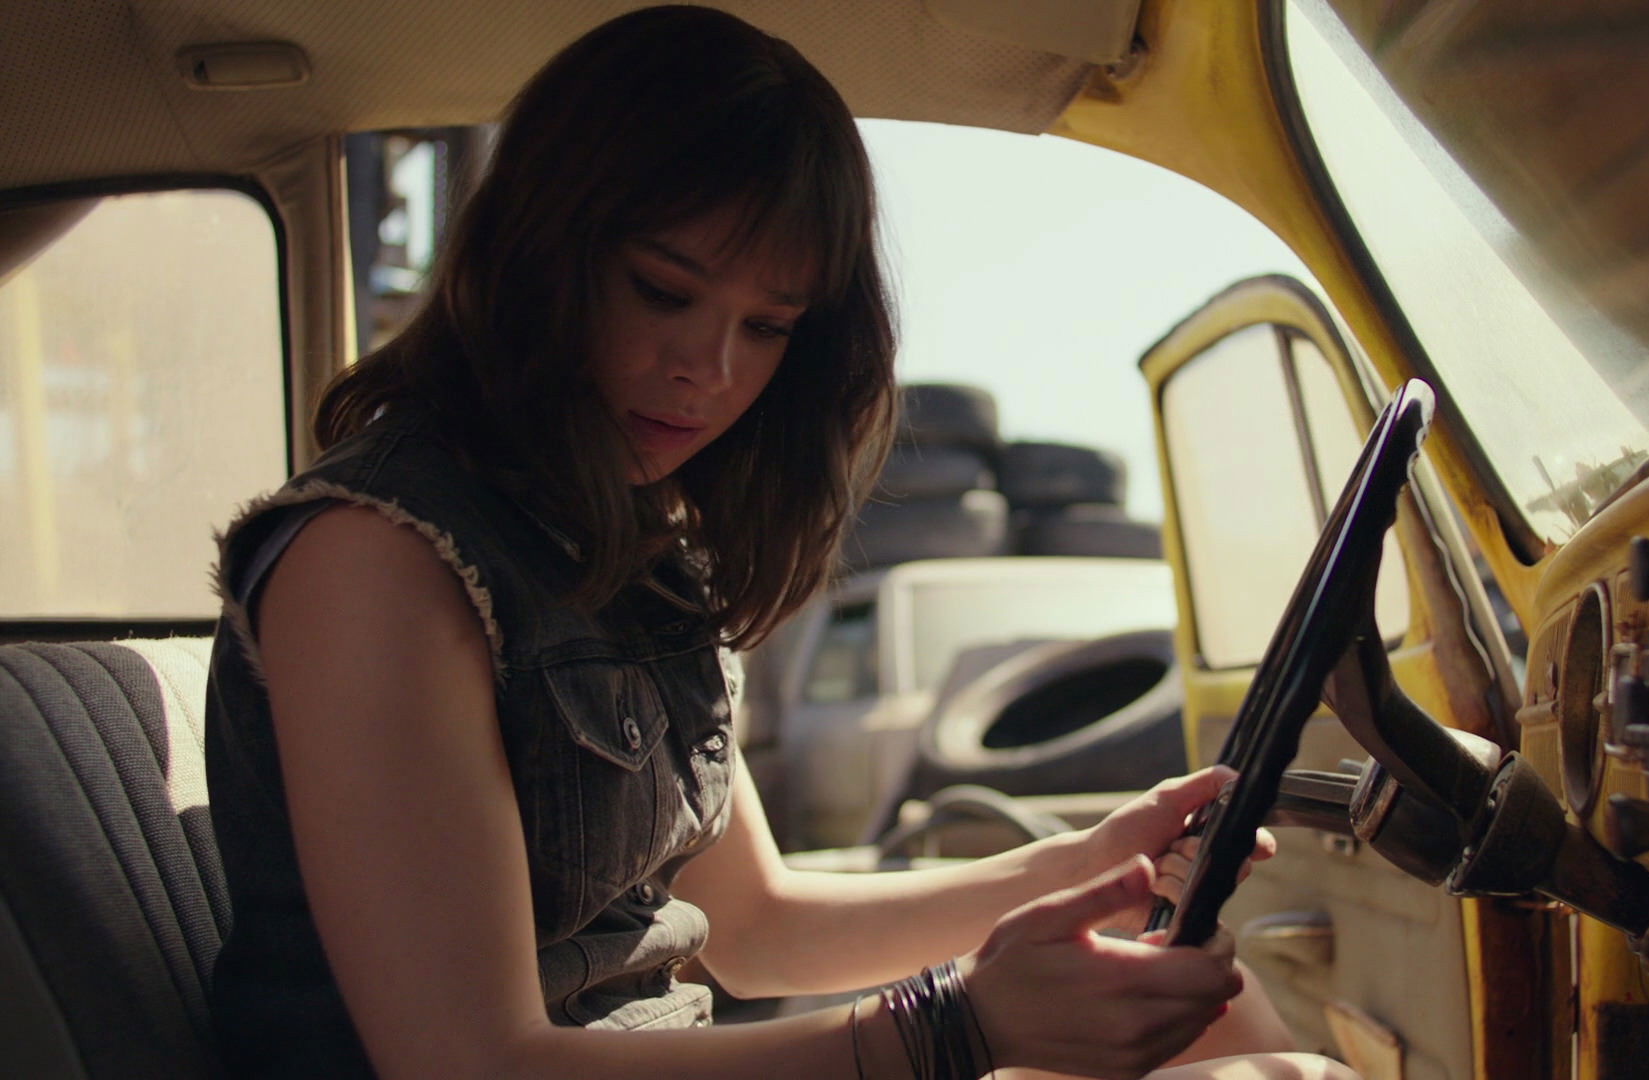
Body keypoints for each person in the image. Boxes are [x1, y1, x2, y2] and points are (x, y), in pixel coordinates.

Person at [203, 6, 1356, 1079]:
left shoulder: (628, 547)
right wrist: (957, 1026)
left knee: (1224, 1011)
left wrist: (1092, 864)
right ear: (539, 255)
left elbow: (755, 930)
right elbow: (470, 1063)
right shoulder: (380, 557)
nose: (708, 371)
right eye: (664, 292)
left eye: (765, 326)